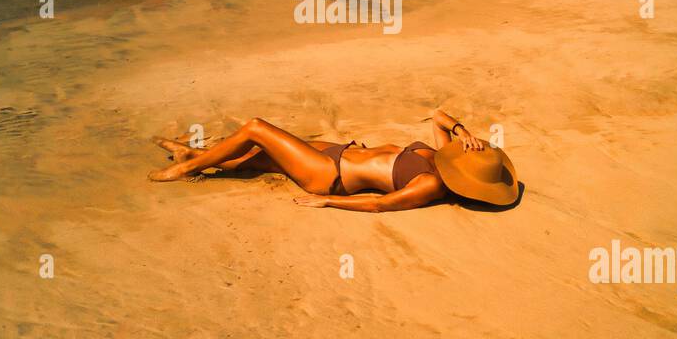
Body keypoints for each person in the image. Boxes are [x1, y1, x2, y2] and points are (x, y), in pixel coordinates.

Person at [149, 108, 519, 212]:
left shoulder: (432, 183)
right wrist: (461, 131)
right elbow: (439, 115)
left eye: (473, 152)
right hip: (337, 151)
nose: (472, 148)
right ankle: (194, 154)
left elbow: (380, 204)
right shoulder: (439, 156)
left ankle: (186, 168)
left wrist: (327, 200)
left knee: (256, 129)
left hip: (328, 174)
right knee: (257, 158)